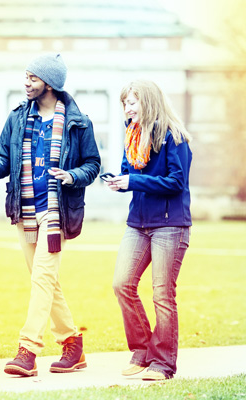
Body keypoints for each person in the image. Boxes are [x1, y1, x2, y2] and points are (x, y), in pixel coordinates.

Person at [0, 53, 101, 377]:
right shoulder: (17, 118)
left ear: (50, 83)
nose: (26, 83)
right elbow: (5, 157)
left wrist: (72, 176)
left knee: (42, 278)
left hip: (56, 211)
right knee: (44, 280)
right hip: (24, 210)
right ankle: (73, 344)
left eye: (32, 78)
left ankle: (28, 350)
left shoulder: (79, 121)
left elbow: (92, 164)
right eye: (26, 76)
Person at [105, 80, 192, 380]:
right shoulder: (133, 135)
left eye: (132, 102)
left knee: (162, 296)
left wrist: (133, 182)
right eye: (125, 103)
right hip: (138, 224)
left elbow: (175, 182)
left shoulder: (174, 137)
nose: (127, 109)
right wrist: (120, 181)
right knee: (121, 284)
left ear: (149, 101)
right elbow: (130, 174)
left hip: (170, 225)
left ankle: (164, 364)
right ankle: (142, 352)